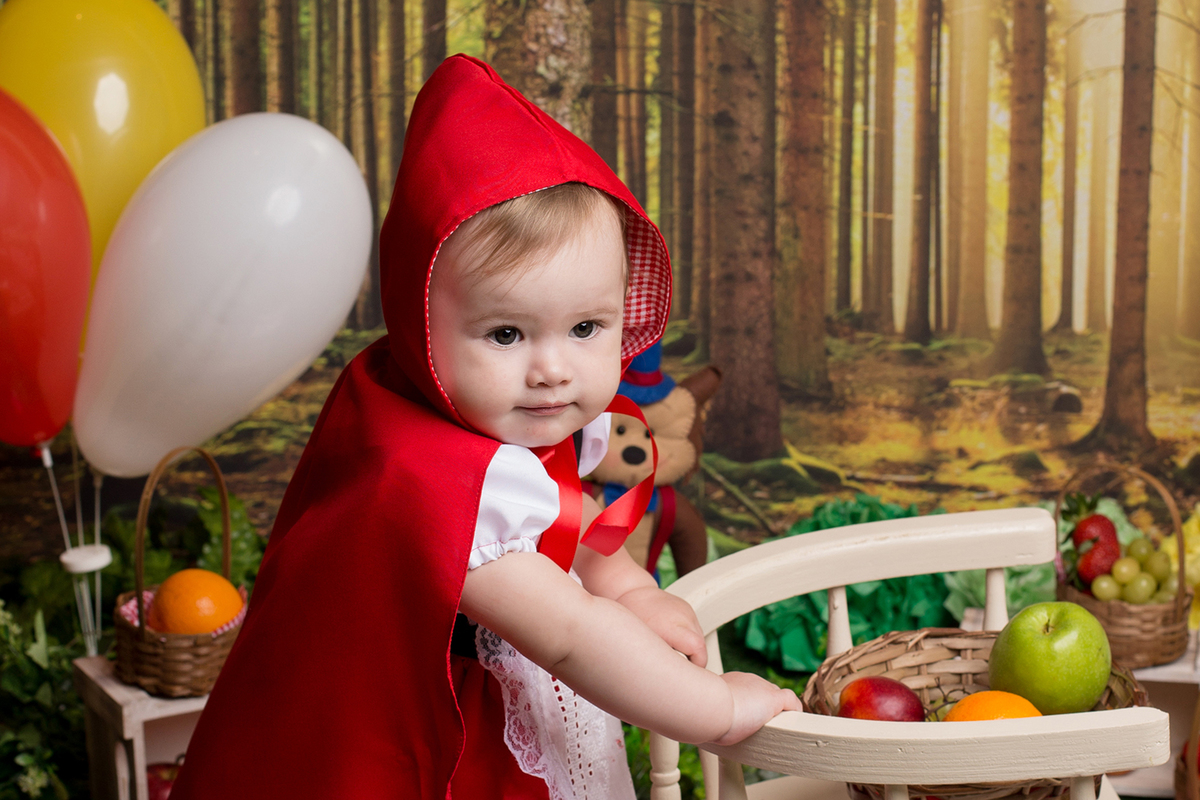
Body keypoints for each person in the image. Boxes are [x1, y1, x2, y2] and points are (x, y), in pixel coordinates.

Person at [170, 54, 798, 800]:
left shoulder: (468, 406)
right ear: (422, 325)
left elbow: (574, 521)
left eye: (587, 327)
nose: (553, 370)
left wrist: (632, 591)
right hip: (430, 740)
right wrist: (714, 709)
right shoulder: (437, 481)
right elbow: (568, 633)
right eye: (506, 334)